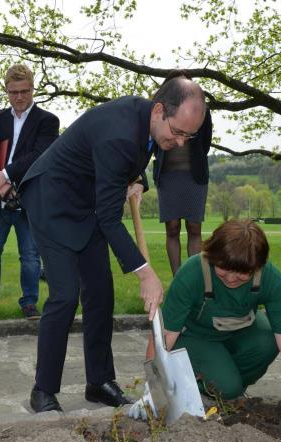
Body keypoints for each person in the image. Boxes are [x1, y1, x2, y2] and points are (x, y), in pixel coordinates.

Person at [20, 77, 207, 412]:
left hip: (86, 202)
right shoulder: (120, 132)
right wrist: (145, 273)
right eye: (177, 132)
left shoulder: (146, 121)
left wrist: (137, 180)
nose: (179, 143)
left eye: (188, 137)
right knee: (64, 296)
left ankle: (99, 382)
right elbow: (109, 217)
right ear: (160, 110)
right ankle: (43, 390)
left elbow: (133, 157)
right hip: (52, 201)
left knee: (100, 294)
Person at [130, 219, 281, 431]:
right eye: (223, 269)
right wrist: (152, 390)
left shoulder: (271, 278)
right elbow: (164, 335)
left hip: (238, 333)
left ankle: (224, 383)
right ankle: (205, 387)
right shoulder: (192, 273)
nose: (231, 278)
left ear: (258, 266)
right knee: (227, 387)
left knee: (268, 340)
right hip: (195, 338)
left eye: (242, 273)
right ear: (212, 256)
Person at [0, 64, 60, 322]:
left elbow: (39, 156)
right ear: (6, 91)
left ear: (33, 89)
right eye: (13, 92)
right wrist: (0, 184)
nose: (19, 97)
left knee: (30, 255)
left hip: (29, 198)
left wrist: (7, 174)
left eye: (24, 91)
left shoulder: (47, 121)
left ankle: (29, 303)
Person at [152, 72, 213, 276]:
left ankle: (194, 277)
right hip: (168, 177)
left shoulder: (200, 110)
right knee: (172, 228)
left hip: (194, 177)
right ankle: (178, 278)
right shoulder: (158, 111)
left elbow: (205, 143)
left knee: (195, 228)